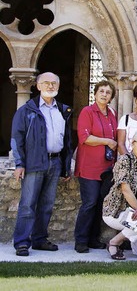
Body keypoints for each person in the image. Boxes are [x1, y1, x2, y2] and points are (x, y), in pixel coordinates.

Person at [11, 72, 73, 257]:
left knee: (46, 205)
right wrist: (19, 164)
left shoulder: (63, 110)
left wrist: (66, 165)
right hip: (33, 163)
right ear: (38, 86)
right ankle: (22, 243)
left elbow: (67, 141)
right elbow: (17, 138)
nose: (50, 86)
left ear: (58, 86)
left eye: (54, 83)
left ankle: (39, 240)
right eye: (46, 83)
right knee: (28, 205)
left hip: (55, 162)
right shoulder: (27, 110)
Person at [74, 80, 118, 253]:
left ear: (111, 97)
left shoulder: (112, 113)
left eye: (108, 92)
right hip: (88, 167)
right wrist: (107, 141)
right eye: (101, 91)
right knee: (89, 203)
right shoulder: (87, 111)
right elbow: (84, 137)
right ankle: (81, 240)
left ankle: (93, 238)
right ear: (95, 93)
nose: (104, 94)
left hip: (106, 167)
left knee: (100, 204)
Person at [102, 129, 137, 260]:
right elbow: (125, 189)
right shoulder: (124, 161)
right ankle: (114, 243)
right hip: (115, 211)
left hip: (136, 212)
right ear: (132, 144)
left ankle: (134, 235)